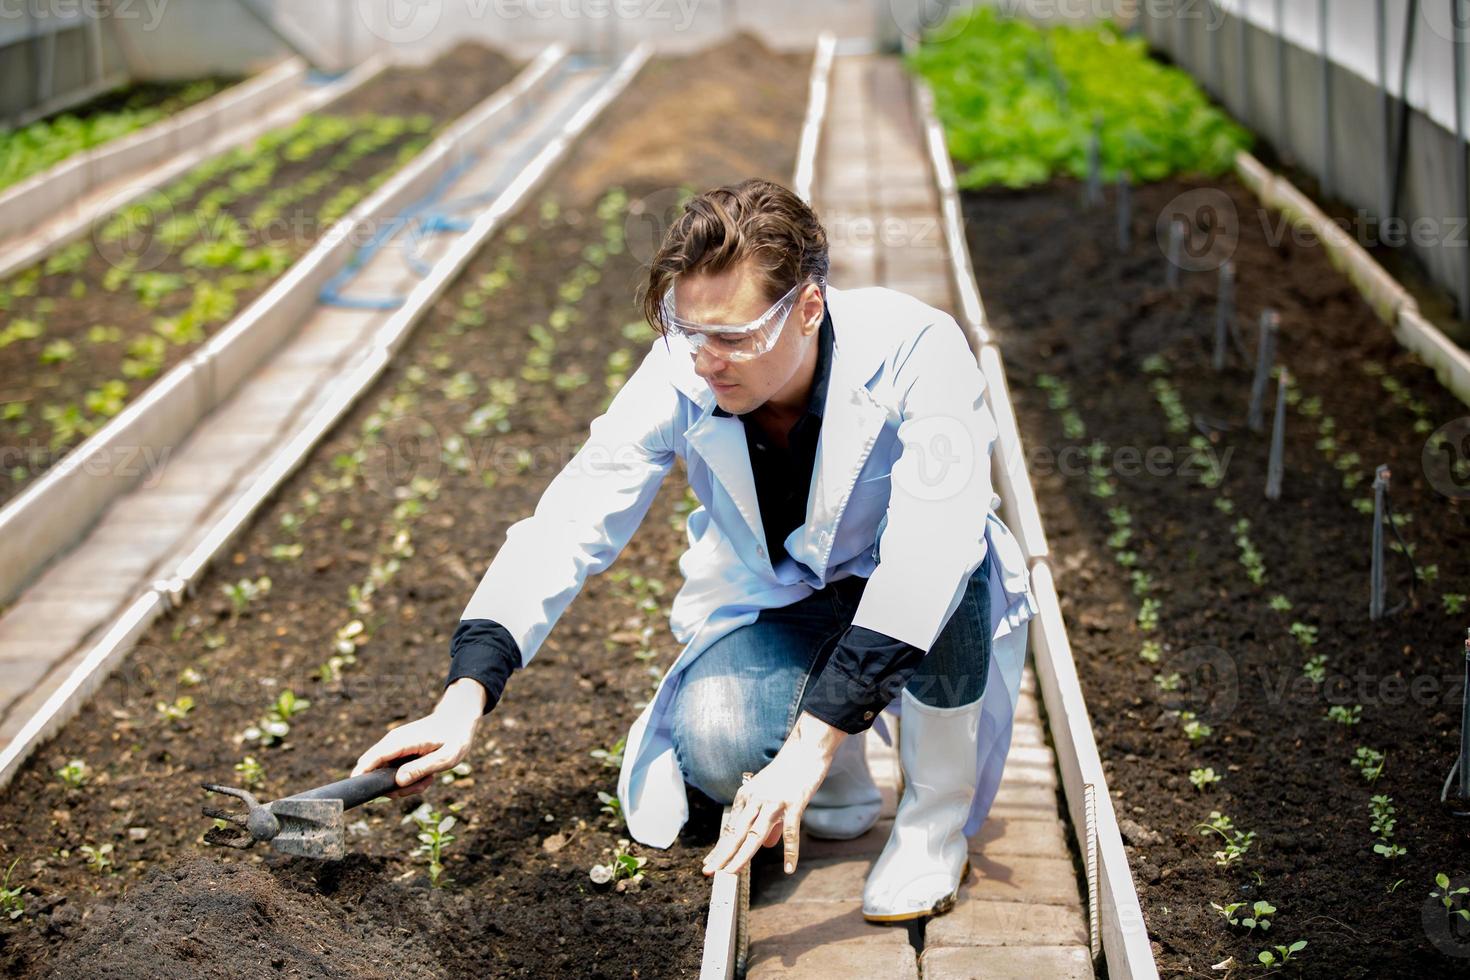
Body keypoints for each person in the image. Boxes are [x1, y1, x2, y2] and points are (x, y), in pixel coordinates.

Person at [353, 177, 1037, 921]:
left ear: (808, 308)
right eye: (689, 331)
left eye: (735, 337)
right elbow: (573, 517)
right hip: (793, 601)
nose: (708, 360)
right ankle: (842, 769)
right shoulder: (684, 368)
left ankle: (933, 821)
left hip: (921, 601)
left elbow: (926, 557)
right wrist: (464, 698)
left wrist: (804, 752)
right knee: (715, 742)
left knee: (956, 568)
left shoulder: (920, 351)